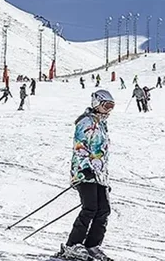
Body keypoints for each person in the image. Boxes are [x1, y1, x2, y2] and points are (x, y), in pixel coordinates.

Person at [57, 90, 114, 261]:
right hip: (84, 172)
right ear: (97, 103)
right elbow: (80, 146)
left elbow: (101, 151)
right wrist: (85, 167)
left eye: (111, 107)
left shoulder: (102, 124)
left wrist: (104, 176)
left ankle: (92, 245)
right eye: (106, 106)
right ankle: (72, 245)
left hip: (99, 174)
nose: (109, 110)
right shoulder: (85, 121)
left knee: (103, 210)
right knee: (90, 208)